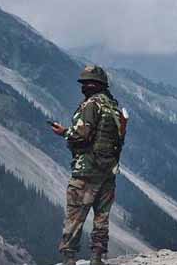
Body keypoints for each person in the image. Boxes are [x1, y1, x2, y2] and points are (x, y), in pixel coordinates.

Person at [51, 65, 126, 265]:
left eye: (87, 83)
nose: (85, 86)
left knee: (75, 216)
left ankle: (69, 258)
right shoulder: (112, 106)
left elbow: (81, 136)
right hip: (108, 170)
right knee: (102, 217)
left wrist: (64, 132)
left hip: (86, 170)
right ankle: (97, 257)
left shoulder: (91, 105)